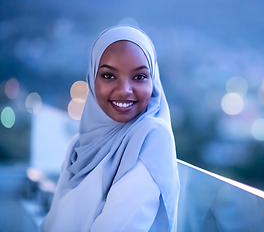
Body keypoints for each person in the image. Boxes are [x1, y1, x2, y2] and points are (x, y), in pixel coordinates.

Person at [40, 25, 180, 232]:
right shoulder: (78, 146)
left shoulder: (151, 138)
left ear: (154, 82)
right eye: (108, 76)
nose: (124, 90)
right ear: (91, 79)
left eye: (140, 77)